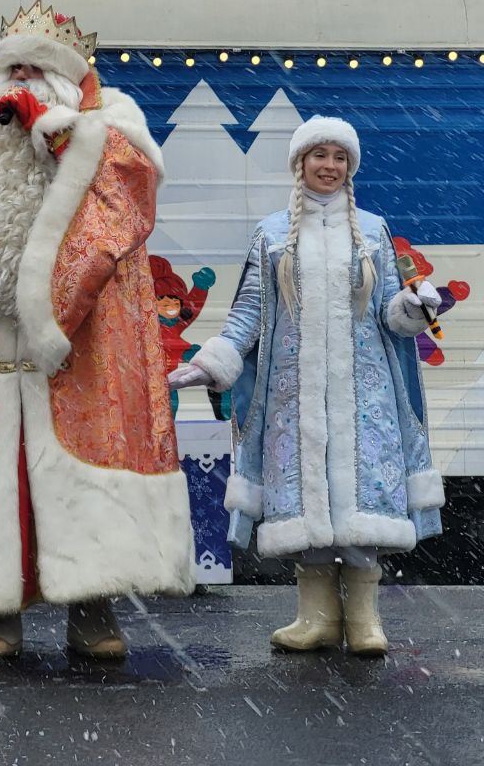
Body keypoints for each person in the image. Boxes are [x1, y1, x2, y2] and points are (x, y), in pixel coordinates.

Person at [0, 0, 194, 658]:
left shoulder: (109, 122)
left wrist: (57, 134)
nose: (23, 79)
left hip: (77, 336)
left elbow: (128, 192)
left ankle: (93, 605)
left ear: (65, 76)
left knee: (77, 470)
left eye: (38, 68)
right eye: (15, 67)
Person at [169, 116, 445, 657]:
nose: (330, 165)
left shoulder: (374, 230)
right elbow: (249, 312)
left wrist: (413, 308)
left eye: (339, 157)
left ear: (351, 166)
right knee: (304, 499)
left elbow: (392, 315)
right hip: (292, 400)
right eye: (319, 155)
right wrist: (213, 361)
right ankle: (316, 618)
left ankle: (364, 621)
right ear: (301, 164)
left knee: (361, 498)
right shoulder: (271, 234)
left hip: (366, 398)